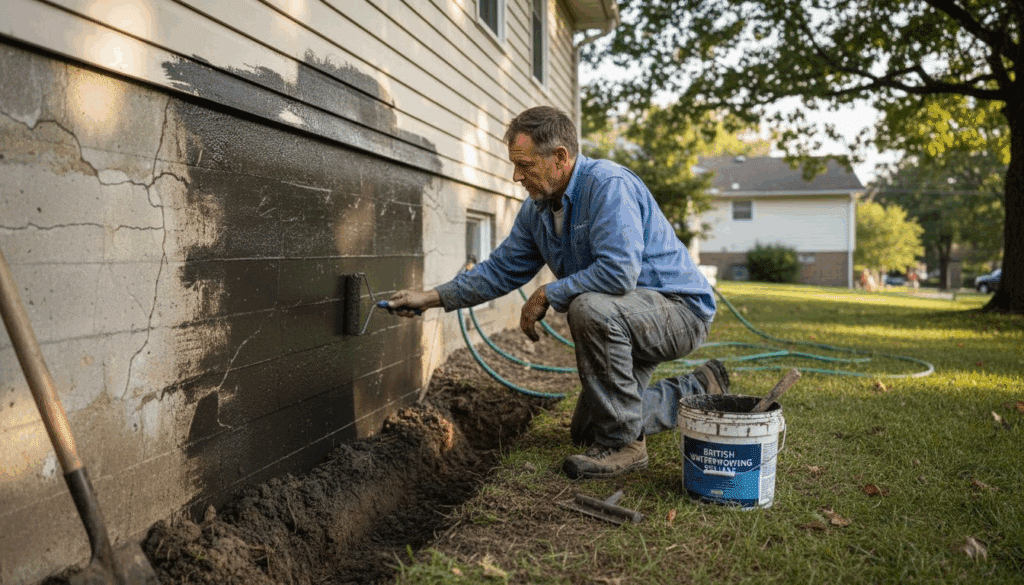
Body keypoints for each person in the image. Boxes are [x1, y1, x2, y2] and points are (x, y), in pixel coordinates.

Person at [385, 106, 728, 480]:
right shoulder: (538, 210)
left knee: (588, 308)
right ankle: (696, 388)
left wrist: (548, 292)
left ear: (560, 157)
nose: (517, 176)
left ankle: (626, 446)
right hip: (626, 317)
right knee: (588, 429)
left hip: (679, 311)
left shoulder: (608, 186)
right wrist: (431, 297)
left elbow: (619, 273)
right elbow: (500, 269)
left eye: (525, 165)